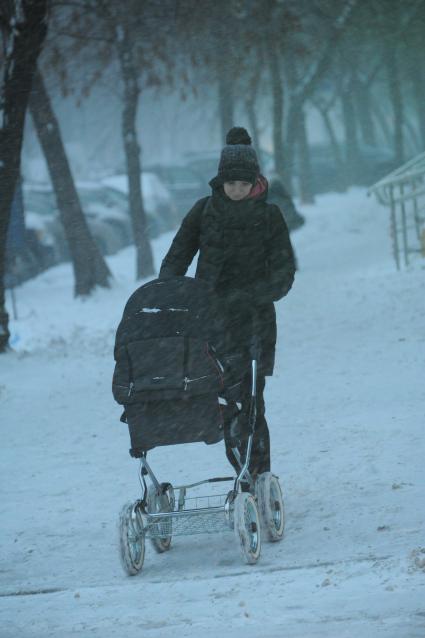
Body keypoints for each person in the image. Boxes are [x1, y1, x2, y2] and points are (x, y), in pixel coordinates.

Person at [159, 127, 295, 479]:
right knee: (223, 399)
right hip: (211, 321)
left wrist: (251, 296)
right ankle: (241, 468)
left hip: (255, 320)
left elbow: (283, 272)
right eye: (230, 183)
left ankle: (259, 471)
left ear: (255, 182)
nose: (237, 189)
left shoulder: (269, 216)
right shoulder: (203, 212)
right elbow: (178, 256)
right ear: (220, 182)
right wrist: (168, 291)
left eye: (243, 183)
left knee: (251, 400)